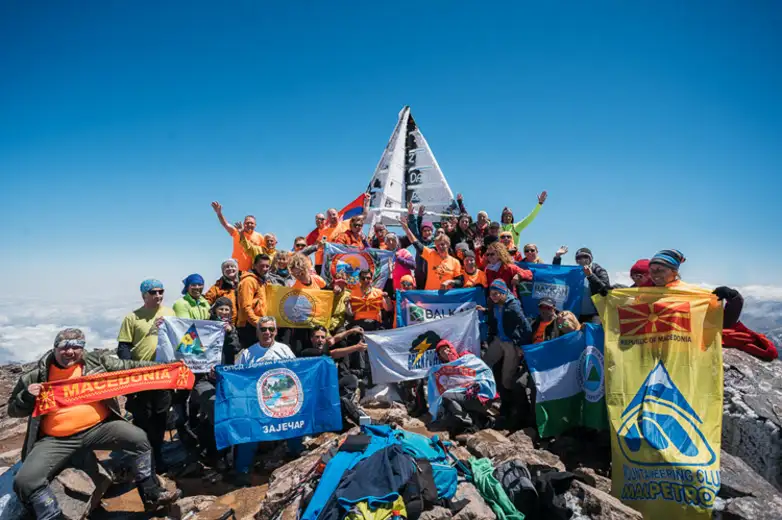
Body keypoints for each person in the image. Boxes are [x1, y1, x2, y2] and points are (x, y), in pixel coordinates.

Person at [10, 329, 181, 517]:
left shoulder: (95, 362)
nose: (70, 351)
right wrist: (26, 396)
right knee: (25, 481)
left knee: (138, 439)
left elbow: (129, 366)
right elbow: (13, 410)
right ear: (55, 348)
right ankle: (53, 515)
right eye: (65, 347)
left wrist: (166, 367)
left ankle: (151, 494)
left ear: (83, 349)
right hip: (56, 439)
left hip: (99, 428)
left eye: (77, 346)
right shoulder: (35, 376)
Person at [232, 317, 299, 486]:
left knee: (295, 425)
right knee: (249, 431)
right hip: (257, 403)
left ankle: (296, 455)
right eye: (263, 329)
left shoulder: (285, 350)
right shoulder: (248, 353)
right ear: (257, 332)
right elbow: (237, 377)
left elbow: (298, 372)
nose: (267, 333)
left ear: (276, 331)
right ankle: (243, 470)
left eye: (270, 329)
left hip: (283, 401)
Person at [117, 279, 175, 470]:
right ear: (144, 295)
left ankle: (157, 457)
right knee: (143, 417)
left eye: (160, 291)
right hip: (141, 374)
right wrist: (129, 372)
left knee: (160, 416)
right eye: (153, 292)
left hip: (163, 372)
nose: (158, 295)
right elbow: (124, 347)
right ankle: (143, 458)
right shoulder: (132, 318)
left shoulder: (169, 313)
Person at [189, 298, 240, 467]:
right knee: (214, 411)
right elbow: (190, 351)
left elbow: (235, 349)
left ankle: (225, 455)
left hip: (224, 379)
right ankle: (214, 454)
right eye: (221, 309)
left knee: (225, 414)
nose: (224, 313)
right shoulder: (203, 328)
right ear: (214, 310)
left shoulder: (231, 329)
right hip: (204, 380)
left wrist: (230, 332)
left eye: (227, 310)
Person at [481, 280, 533, 426]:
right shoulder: (493, 303)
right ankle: (489, 396)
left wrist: (521, 345)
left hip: (510, 342)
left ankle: (510, 407)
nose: (494, 296)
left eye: (497, 294)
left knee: (507, 377)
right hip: (499, 339)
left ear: (504, 293)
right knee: (485, 364)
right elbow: (495, 318)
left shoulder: (513, 306)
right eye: (492, 294)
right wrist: (485, 310)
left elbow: (526, 327)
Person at [648, 249, 744, 328]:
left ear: (674, 272)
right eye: (652, 270)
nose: (655, 274)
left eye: (661, 270)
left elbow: (722, 323)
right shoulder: (644, 295)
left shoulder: (691, 295)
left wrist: (734, 298)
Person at [435, 340, 495, 434]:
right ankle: (477, 421)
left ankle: (468, 424)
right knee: (448, 399)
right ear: (440, 356)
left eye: (447, 349)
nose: (446, 352)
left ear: (452, 348)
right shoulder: (444, 370)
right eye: (442, 352)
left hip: (481, 396)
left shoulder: (466, 357)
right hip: (466, 398)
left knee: (446, 396)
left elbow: (483, 371)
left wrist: (478, 385)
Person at [399, 217, 464, 291]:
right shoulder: (431, 254)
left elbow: (460, 282)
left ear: (448, 245)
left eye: (442, 244)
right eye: (437, 245)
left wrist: (450, 282)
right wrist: (407, 230)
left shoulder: (455, 262)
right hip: (430, 297)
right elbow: (416, 243)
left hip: (446, 299)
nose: (440, 247)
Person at [555, 247, 610, 322]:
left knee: (592, 333)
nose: (582, 259)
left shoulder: (599, 271)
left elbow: (605, 291)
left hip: (595, 315)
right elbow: (555, 274)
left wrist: (591, 276)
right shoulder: (573, 273)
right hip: (574, 315)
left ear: (591, 258)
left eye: (585, 256)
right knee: (567, 330)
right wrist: (557, 257)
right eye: (578, 258)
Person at [211, 201, 265, 272]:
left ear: (255, 225)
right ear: (243, 224)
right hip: (236, 269)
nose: (249, 225)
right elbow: (225, 224)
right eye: (247, 223)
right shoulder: (237, 232)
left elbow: (264, 254)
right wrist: (219, 213)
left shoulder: (260, 237)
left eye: (251, 223)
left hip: (251, 271)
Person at [237, 253, 272, 348]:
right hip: (250, 326)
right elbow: (246, 307)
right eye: (262, 266)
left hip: (259, 324)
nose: (265, 268)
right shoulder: (249, 281)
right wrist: (259, 324)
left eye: (267, 266)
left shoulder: (262, 281)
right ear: (254, 265)